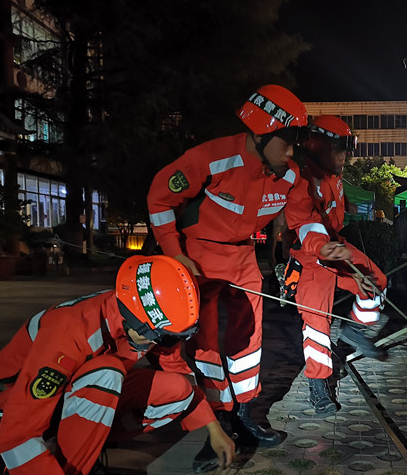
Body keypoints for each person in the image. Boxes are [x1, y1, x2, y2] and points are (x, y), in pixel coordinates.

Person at [146, 85, 351, 459]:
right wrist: (175, 254)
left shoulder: (288, 174)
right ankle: (217, 421)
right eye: (286, 142)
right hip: (198, 259)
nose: (292, 153)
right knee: (206, 342)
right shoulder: (212, 158)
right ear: (260, 134)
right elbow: (160, 198)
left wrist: (323, 246)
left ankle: (244, 414)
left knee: (249, 340)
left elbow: (302, 220)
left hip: (243, 259)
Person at [0, 255, 235, 475]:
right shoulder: (69, 332)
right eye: (166, 337)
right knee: (107, 375)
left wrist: (214, 430)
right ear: (135, 323)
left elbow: (177, 370)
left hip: (67, 396)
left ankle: (83, 449)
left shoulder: (142, 320)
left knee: (178, 389)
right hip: (8, 404)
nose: (167, 344)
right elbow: (16, 436)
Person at [289, 116, 388, 414]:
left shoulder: (335, 178)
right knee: (318, 324)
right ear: (316, 146)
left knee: (375, 281)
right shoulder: (301, 181)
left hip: (337, 247)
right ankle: (318, 386)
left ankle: (353, 333)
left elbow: (335, 217)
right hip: (311, 257)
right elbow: (305, 224)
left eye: (346, 149)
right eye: (338, 148)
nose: (344, 155)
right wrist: (322, 247)